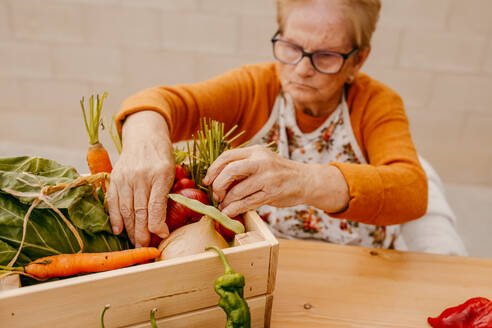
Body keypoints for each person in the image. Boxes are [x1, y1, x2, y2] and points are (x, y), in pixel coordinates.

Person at [109, 0, 429, 249]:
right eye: (291, 47)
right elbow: (161, 102)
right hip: (265, 257)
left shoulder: (376, 103)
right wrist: (145, 139)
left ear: (358, 60)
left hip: (359, 264)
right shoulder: (254, 87)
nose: (302, 69)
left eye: (326, 56)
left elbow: (413, 191)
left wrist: (304, 181)